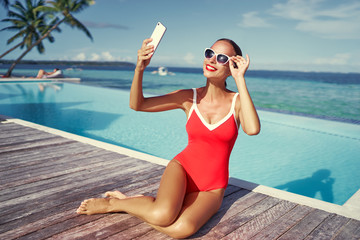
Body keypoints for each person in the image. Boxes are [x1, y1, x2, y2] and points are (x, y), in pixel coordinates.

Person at [77, 37, 260, 238]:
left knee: (182, 230)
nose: (212, 60)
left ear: (232, 66)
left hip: (212, 187)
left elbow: (252, 129)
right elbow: (138, 105)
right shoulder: (187, 97)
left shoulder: (238, 101)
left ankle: (137, 203)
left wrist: (240, 79)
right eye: (209, 53)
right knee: (163, 216)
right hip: (182, 169)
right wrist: (140, 68)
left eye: (222, 58)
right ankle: (114, 204)